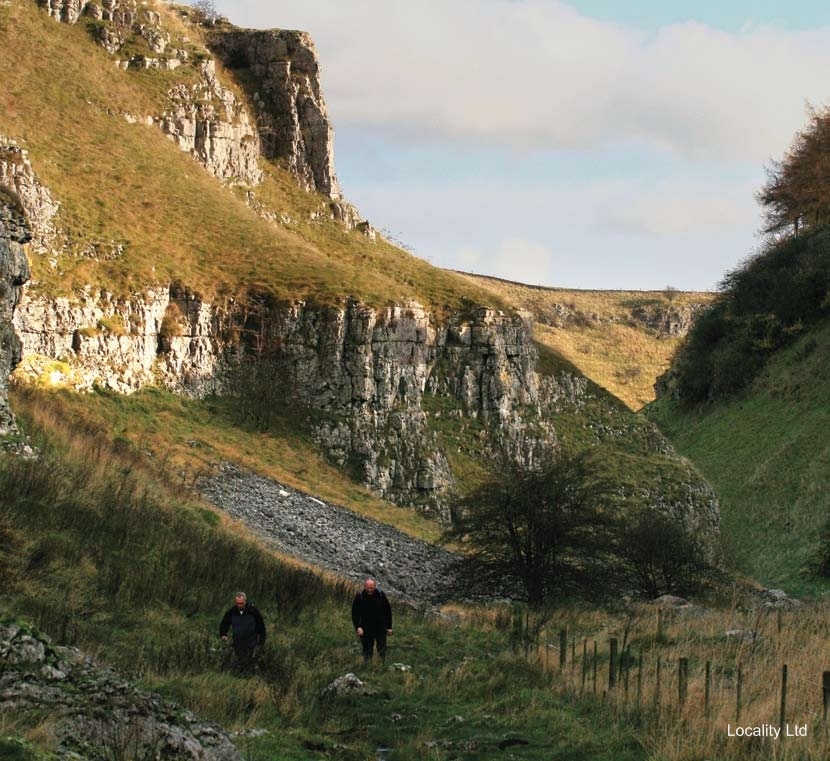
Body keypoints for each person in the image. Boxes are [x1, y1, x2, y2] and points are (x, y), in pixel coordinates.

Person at [219, 592, 266, 671]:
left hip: (251, 642)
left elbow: (261, 627)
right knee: (240, 662)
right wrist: (223, 634)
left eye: (241, 603)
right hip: (238, 642)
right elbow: (224, 623)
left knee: (250, 662)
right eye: (237, 603)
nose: (239, 605)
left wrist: (261, 642)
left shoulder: (253, 611)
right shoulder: (232, 612)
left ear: (245, 601)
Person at [351, 578, 392, 662]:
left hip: (380, 627)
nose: (369, 590)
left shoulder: (381, 595)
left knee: (382, 648)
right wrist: (358, 627)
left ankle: (382, 665)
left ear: (375, 587)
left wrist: (389, 627)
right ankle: (367, 667)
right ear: (364, 587)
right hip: (365, 627)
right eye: (368, 588)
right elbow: (355, 613)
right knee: (367, 649)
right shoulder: (360, 596)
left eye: (371, 588)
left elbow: (387, 611)